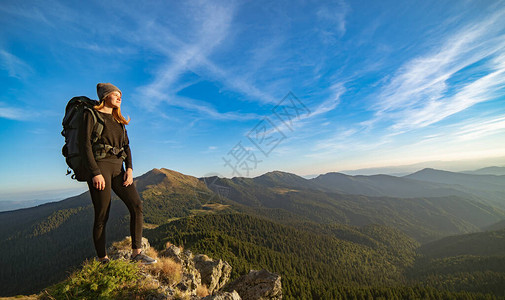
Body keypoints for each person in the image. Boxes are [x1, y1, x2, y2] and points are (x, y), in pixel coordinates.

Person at [79, 83, 156, 264]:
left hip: (118, 169)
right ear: (105, 96)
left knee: (137, 205)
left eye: (121, 95)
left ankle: (137, 253)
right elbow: (85, 146)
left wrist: (129, 169)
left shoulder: (118, 120)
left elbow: (126, 147)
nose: (120, 98)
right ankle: (102, 259)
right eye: (116, 94)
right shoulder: (91, 115)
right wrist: (95, 172)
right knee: (102, 214)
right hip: (100, 168)